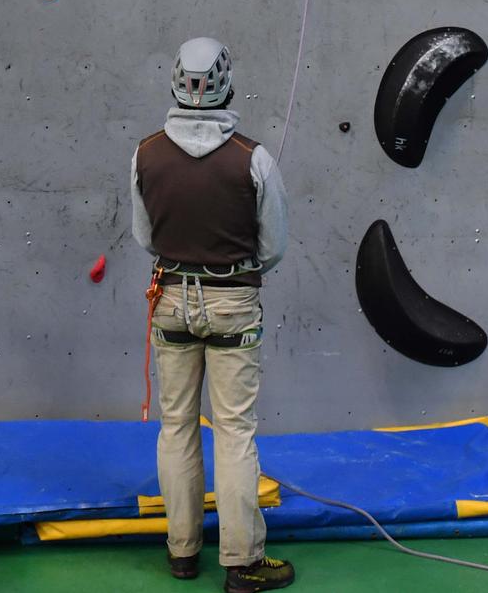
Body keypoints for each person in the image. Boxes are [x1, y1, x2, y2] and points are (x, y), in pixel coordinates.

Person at [131, 38, 291, 591]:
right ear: (226, 81)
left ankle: (182, 552)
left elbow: (143, 236)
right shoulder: (254, 158)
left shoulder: (146, 153)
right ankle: (242, 562)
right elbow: (273, 247)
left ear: (174, 78)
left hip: (171, 299)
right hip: (233, 302)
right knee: (235, 431)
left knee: (175, 426)